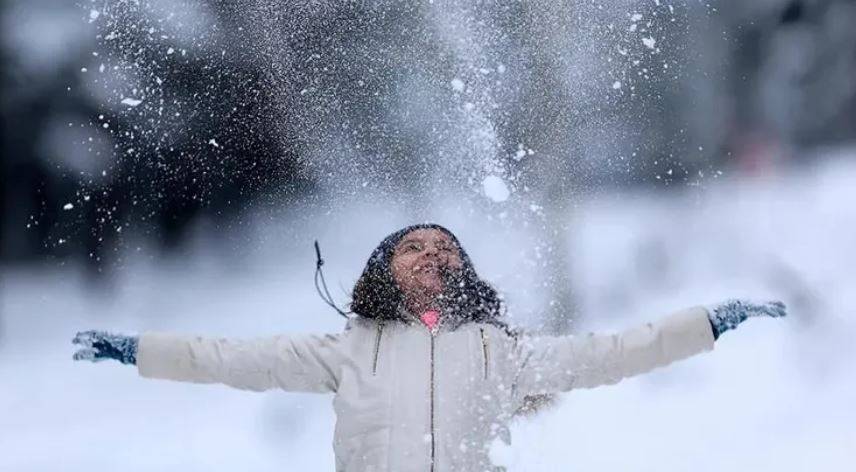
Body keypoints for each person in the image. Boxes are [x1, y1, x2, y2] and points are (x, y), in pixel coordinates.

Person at [73, 223, 786, 472]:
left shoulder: (501, 352)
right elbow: (227, 357)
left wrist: (708, 323)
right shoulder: (347, 350)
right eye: (411, 247)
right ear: (383, 268)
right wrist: (138, 350)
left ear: (464, 271)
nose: (429, 256)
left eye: (445, 248)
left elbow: (612, 352)